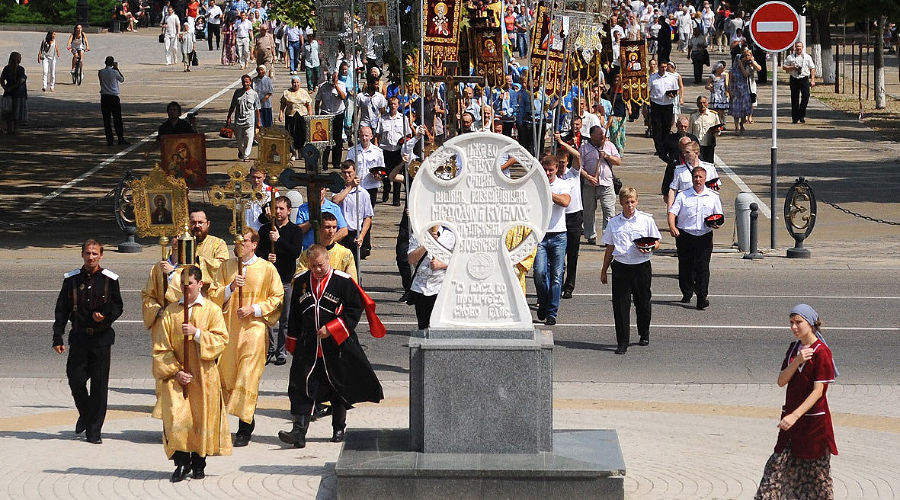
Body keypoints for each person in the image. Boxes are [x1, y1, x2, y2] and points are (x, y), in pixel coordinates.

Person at [278, 244, 384, 448]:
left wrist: (332, 328)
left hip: (337, 345)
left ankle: (338, 427)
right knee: (301, 386)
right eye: (313, 266)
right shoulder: (301, 281)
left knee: (336, 385)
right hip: (308, 345)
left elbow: (355, 309)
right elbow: (294, 317)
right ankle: (299, 432)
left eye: (320, 265)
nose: (317, 269)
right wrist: (292, 341)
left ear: (328, 261)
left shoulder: (343, 282)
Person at [151, 265, 231, 482]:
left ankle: (198, 464)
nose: (186, 290)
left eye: (190, 285)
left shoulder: (212, 310)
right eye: (183, 286)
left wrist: (197, 334)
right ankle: (180, 463)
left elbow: (222, 340)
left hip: (203, 376)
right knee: (177, 418)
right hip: (177, 378)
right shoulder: (171, 312)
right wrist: (176, 372)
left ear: (200, 284)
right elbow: (161, 348)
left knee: (200, 420)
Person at [755, 304, 838, 500]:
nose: (794, 327)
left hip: (813, 426)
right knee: (774, 470)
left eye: (798, 322)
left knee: (817, 478)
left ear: (810, 324)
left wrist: (795, 415)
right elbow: (781, 381)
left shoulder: (822, 352)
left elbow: (818, 392)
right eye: (791, 323)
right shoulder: (794, 349)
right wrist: (797, 361)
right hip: (791, 426)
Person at [209, 228, 284, 447]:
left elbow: (277, 297)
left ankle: (245, 426)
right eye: (236, 241)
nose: (238, 245)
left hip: (254, 330)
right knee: (227, 375)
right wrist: (230, 288)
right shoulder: (226, 267)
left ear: (254, 244)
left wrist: (255, 308)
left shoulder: (266, 268)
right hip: (229, 329)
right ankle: (220, 424)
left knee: (247, 376)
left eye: (244, 242)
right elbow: (213, 293)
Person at [53, 240, 124, 445]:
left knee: (99, 386)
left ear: (101, 255)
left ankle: (94, 430)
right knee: (75, 379)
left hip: (101, 339)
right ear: (82, 255)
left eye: (94, 253)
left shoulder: (110, 279)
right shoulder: (72, 280)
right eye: (87, 253)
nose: (91, 257)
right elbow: (61, 309)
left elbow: (118, 305)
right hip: (79, 337)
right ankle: (85, 414)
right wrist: (58, 335)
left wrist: (106, 316)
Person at [600, 188, 660, 355]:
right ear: (621, 203)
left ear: (637, 201)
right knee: (620, 306)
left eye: (632, 201)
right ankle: (622, 341)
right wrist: (604, 270)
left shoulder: (646, 220)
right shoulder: (614, 223)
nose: (630, 205)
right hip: (621, 267)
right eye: (626, 202)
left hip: (641, 266)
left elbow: (656, 242)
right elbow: (610, 247)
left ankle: (644, 332)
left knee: (643, 302)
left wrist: (649, 248)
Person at [667, 165, 723, 310]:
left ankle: (701, 297)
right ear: (692, 179)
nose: (698, 180)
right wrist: (672, 227)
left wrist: (716, 224)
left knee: (702, 267)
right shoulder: (683, 195)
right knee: (686, 266)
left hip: (704, 236)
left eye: (700, 177)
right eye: (695, 177)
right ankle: (687, 292)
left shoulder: (713, 196)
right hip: (685, 235)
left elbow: (718, 216)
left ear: (705, 179)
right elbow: (673, 212)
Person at [256, 197, 303, 366]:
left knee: (285, 318)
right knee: (266, 316)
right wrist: (265, 256)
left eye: (282, 208)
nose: (278, 212)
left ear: (289, 210)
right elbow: (258, 251)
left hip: (285, 279)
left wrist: (279, 241)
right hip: (267, 280)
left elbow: (295, 252)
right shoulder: (264, 230)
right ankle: (269, 348)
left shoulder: (295, 231)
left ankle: (281, 351)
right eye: (276, 208)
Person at [533, 154, 570, 326]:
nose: (547, 173)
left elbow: (564, 202)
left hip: (558, 234)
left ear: (557, 169)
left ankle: (551, 311)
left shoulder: (563, 184)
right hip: (540, 234)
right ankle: (544, 300)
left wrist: (548, 192)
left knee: (556, 275)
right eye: (545, 170)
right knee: (539, 273)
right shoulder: (535, 184)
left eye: (551, 170)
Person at [575, 125, 620, 244]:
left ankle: (607, 237)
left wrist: (607, 156)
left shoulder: (609, 146)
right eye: (599, 134)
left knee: (609, 211)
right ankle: (590, 235)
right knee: (588, 211)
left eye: (603, 134)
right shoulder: (584, 149)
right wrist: (588, 177)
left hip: (606, 183)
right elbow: (579, 167)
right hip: (589, 184)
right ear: (592, 136)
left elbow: (618, 161)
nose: (602, 136)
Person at [552, 139, 584, 300]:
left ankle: (569, 285)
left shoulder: (573, 173)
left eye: (564, 162)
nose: (562, 165)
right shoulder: (554, 178)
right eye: (559, 162)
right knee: (559, 254)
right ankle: (557, 282)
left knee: (572, 254)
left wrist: (563, 143)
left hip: (574, 217)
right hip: (560, 216)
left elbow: (578, 156)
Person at [407, 226, 455, 329]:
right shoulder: (418, 235)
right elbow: (411, 259)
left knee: (438, 326)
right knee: (423, 325)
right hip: (421, 287)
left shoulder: (451, 236)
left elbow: (460, 260)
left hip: (441, 287)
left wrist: (442, 265)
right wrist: (427, 244)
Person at [295, 211, 358, 281]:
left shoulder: (345, 253)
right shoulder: (308, 254)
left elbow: (352, 282)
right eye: (327, 227)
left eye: (334, 227)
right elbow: (299, 279)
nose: (331, 231)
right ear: (319, 228)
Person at [376, 95, 411, 206]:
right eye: (391, 104)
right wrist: (376, 146)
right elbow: (378, 134)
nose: (393, 106)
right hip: (385, 149)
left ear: (398, 105)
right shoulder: (383, 119)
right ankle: (386, 191)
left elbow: (408, 134)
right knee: (385, 174)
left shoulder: (403, 119)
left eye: (395, 104)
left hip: (397, 150)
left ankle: (396, 199)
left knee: (397, 174)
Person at [295, 185, 349, 250]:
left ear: (325, 190)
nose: (318, 192)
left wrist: (328, 243)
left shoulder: (334, 208)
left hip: (329, 250)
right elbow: (298, 231)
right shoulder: (303, 208)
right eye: (315, 189)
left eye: (321, 189)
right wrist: (311, 222)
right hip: (309, 250)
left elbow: (344, 230)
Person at [190, 209, 229, 294]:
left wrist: (199, 261)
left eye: (200, 222)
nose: (196, 226)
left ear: (208, 224)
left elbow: (223, 266)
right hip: (185, 294)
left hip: (208, 296)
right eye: (193, 222)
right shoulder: (182, 244)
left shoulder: (218, 243)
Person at [346, 126, 387, 208]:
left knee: (369, 213)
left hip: (371, 186)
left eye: (366, 136)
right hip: (357, 187)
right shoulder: (352, 151)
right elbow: (347, 168)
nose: (364, 138)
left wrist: (379, 177)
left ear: (371, 136)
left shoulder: (378, 152)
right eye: (362, 135)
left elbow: (382, 169)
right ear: (359, 136)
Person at [315, 69, 347, 170]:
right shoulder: (323, 87)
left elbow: (343, 97)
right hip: (326, 114)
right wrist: (317, 116)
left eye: (334, 77)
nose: (332, 79)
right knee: (325, 140)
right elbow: (317, 101)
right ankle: (324, 163)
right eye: (330, 77)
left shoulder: (341, 84)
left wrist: (336, 86)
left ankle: (336, 163)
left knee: (337, 140)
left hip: (338, 114)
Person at [648, 60, 680, 157]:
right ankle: (659, 148)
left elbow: (677, 90)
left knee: (666, 127)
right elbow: (648, 91)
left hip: (667, 104)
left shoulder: (671, 78)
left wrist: (673, 94)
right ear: (658, 67)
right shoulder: (652, 78)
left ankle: (665, 147)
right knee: (657, 127)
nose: (664, 69)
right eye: (662, 67)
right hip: (656, 104)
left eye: (665, 67)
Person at [226, 74, 261, 161]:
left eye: (247, 82)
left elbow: (257, 109)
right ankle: (242, 151)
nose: (246, 84)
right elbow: (232, 106)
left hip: (249, 121)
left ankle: (246, 156)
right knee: (239, 140)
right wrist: (229, 117)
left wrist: (259, 122)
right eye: (244, 82)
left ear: (250, 82)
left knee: (249, 139)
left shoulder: (254, 94)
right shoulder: (237, 92)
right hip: (238, 121)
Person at [783, 41, 816, 124]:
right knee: (794, 98)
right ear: (795, 48)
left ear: (803, 47)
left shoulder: (807, 57)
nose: (799, 48)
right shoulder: (790, 57)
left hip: (804, 78)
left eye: (800, 47)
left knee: (806, 96)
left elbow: (812, 68)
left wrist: (812, 80)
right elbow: (784, 67)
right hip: (794, 79)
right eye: (797, 46)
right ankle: (795, 118)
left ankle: (802, 115)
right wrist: (792, 67)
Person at [98, 56, 128, 146]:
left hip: (104, 97)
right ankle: (120, 138)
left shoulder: (101, 72)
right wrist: (117, 69)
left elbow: (101, 81)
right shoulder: (115, 72)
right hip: (113, 97)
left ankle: (109, 140)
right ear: (112, 63)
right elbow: (122, 79)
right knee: (117, 119)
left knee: (107, 120)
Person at [1, 52, 27, 135]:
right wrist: (11, 88)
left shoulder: (6, 68)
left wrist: (6, 88)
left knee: (8, 112)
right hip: (18, 93)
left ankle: (9, 129)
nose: (20, 59)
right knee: (16, 113)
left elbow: (1, 79)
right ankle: (15, 129)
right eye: (19, 57)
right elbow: (21, 81)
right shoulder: (20, 69)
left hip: (8, 93)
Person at [689, 95, 721, 163]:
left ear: (707, 103)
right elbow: (689, 132)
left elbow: (718, 131)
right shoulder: (693, 116)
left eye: (704, 102)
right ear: (697, 104)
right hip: (697, 145)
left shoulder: (713, 115)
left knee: (709, 164)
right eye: (700, 103)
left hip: (709, 145)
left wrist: (716, 131)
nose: (702, 105)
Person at [728, 51, 752, 134]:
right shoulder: (732, 70)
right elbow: (730, 81)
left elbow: (746, 75)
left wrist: (741, 65)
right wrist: (729, 91)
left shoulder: (746, 67)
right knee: (736, 111)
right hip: (735, 91)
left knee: (744, 111)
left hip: (744, 91)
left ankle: (742, 124)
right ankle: (736, 127)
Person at [706, 61, 729, 129]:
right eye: (721, 68)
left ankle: (722, 124)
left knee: (722, 111)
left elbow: (726, 85)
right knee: (716, 111)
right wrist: (711, 88)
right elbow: (706, 86)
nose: (723, 69)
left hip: (722, 95)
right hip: (716, 95)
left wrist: (728, 92)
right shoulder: (712, 76)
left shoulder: (724, 76)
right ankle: (717, 124)